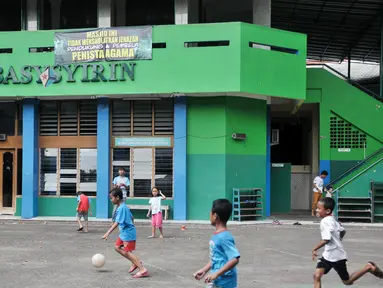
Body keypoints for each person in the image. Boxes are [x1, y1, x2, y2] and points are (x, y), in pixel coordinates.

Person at [312, 197, 383, 287]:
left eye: (319, 208)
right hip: (328, 255)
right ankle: (368, 268)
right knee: (317, 276)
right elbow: (343, 231)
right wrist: (337, 240)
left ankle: (368, 268)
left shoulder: (325, 221)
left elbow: (326, 239)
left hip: (336, 256)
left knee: (347, 281)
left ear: (327, 211)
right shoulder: (333, 219)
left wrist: (315, 248)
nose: (316, 210)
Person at [102, 188, 149, 278]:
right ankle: (134, 263)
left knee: (127, 252)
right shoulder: (123, 206)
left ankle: (142, 269)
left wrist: (107, 233)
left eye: (112, 198)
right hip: (125, 232)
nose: (111, 200)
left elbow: (117, 222)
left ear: (118, 197)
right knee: (117, 247)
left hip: (127, 233)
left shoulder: (122, 208)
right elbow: (132, 217)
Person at [194, 199, 240, 288]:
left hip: (225, 282)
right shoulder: (217, 235)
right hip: (216, 280)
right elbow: (216, 258)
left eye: (210, 213)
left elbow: (235, 258)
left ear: (215, 216)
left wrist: (216, 274)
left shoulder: (224, 237)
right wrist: (204, 270)